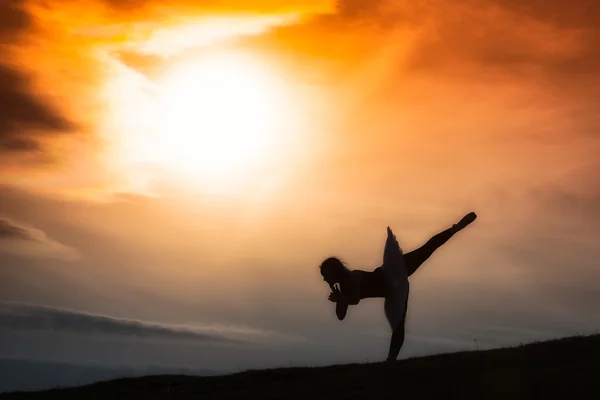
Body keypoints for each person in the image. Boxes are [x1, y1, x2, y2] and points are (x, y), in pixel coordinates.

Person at [320, 211, 477, 362]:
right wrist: (339, 297)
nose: (324, 279)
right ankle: (391, 359)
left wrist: (340, 298)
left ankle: (456, 228)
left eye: (325, 276)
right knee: (398, 323)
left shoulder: (350, 280)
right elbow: (341, 315)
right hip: (392, 289)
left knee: (426, 250)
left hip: (390, 273)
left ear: (333, 273)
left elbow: (352, 299)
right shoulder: (343, 289)